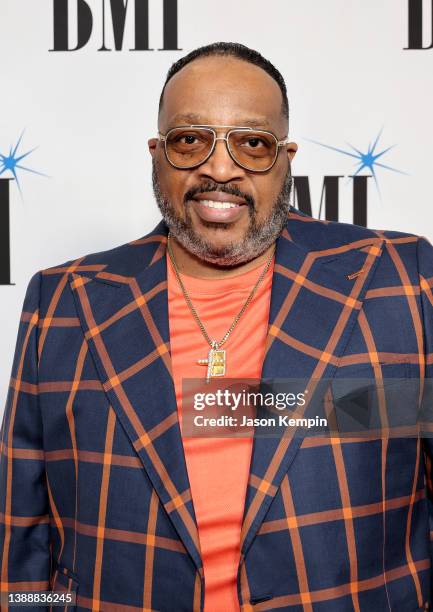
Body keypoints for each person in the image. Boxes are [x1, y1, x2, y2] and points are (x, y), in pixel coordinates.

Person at [1, 41, 433, 612]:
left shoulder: (401, 281)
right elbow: (23, 542)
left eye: (252, 143)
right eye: (190, 140)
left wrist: (249, 407)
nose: (220, 169)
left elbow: (387, 422)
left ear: (287, 159)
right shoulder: (63, 301)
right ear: (156, 153)